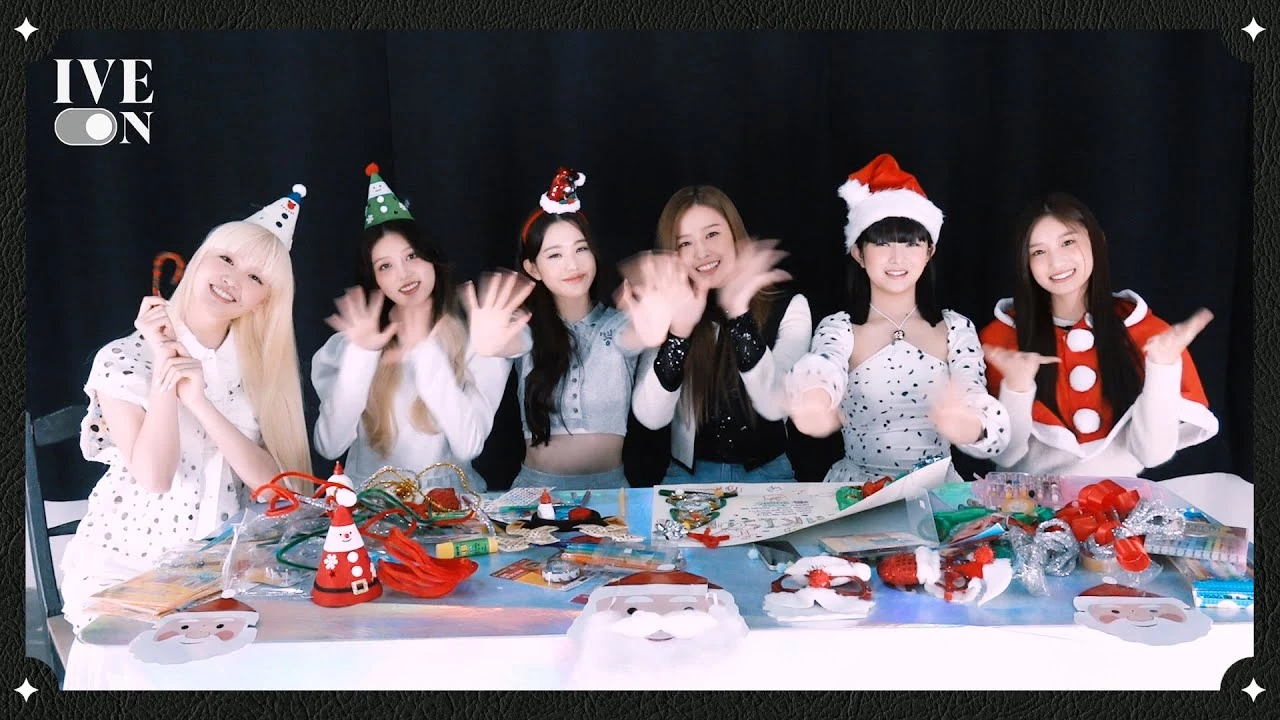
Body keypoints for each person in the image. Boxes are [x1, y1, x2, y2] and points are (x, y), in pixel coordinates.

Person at [61, 185, 313, 632]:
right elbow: (154, 477)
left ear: (265, 300)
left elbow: (276, 490)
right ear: (200, 259)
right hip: (125, 569)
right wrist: (165, 364)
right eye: (226, 259)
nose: (234, 279)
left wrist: (199, 401)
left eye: (256, 278)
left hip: (219, 571)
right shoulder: (123, 358)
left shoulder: (259, 372)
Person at [786, 154, 1010, 483]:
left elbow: (975, 396)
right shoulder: (839, 328)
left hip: (938, 493)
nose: (896, 258)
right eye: (881, 243)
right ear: (859, 253)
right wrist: (813, 400)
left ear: (929, 251)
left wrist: (971, 426)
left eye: (911, 244)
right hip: (857, 492)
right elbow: (824, 367)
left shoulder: (956, 328)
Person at [311, 164, 528, 492]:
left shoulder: (477, 336)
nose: (403, 274)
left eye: (411, 256)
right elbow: (329, 446)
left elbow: (469, 444)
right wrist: (361, 357)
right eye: (385, 266)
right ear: (375, 279)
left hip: (449, 507)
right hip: (370, 510)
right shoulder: (348, 346)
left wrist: (426, 352)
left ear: (431, 258)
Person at [978, 192, 1218, 476]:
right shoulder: (1001, 340)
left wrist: (1162, 367)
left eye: (1068, 242)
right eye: (1038, 252)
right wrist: (1017, 387)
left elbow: (1152, 455)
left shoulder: (1147, 332)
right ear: (1025, 262)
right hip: (1024, 500)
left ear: (1097, 240)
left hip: (1120, 499)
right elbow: (1006, 456)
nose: (1056, 262)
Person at [500, 168, 682, 490]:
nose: (572, 264)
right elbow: (499, 344)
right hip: (535, 495)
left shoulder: (619, 325)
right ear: (533, 268)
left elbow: (642, 334)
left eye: (581, 249)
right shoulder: (524, 328)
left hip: (610, 494)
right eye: (555, 255)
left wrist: (660, 316)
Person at [632, 185, 812, 484]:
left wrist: (740, 315)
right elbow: (651, 417)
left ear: (734, 234)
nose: (701, 252)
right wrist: (678, 334)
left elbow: (777, 406)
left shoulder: (790, 306)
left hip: (769, 475)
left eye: (712, 234)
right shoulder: (664, 310)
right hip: (686, 479)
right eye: (685, 243)